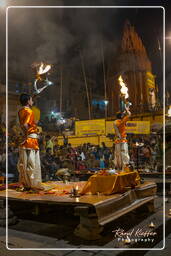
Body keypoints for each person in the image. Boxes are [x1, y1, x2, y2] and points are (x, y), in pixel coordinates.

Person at [17, 94, 43, 190]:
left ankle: (25, 183)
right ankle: (33, 184)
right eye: (31, 100)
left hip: (25, 139)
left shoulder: (20, 111)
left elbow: (22, 125)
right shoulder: (29, 111)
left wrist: (24, 134)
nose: (32, 101)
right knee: (32, 163)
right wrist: (28, 133)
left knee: (24, 162)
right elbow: (25, 124)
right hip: (31, 139)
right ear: (28, 101)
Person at [113, 106, 131, 172]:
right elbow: (129, 114)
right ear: (121, 116)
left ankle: (118, 169)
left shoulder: (115, 122)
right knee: (124, 154)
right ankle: (125, 169)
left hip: (117, 141)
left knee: (117, 155)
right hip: (123, 141)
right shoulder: (122, 121)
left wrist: (123, 113)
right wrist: (127, 110)